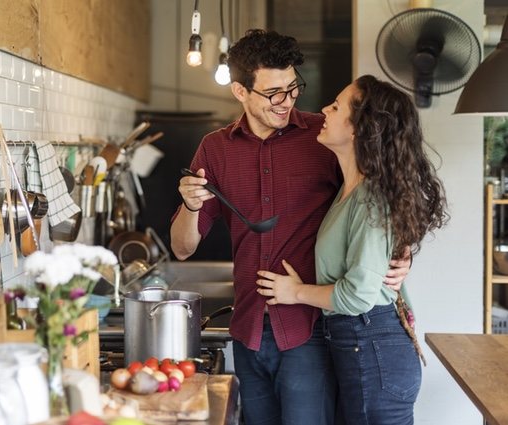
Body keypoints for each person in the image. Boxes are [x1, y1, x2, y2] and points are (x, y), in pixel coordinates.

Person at [170, 29, 410, 425]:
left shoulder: (325, 137)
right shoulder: (215, 148)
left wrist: (403, 252)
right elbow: (182, 248)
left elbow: (383, 193)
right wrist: (190, 205)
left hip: (310, 329)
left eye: (292, 87)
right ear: (240, 92)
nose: (286, 101)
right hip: (247, 329)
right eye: (272, 93)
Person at [255, 75, 448, 425]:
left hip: (373, 347)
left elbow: (359, 295)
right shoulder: (351, 192)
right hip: (365, 347)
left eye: (336, 105)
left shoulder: (370, 196)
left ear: (360, 127)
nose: (324, 110)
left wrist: (295, 292)